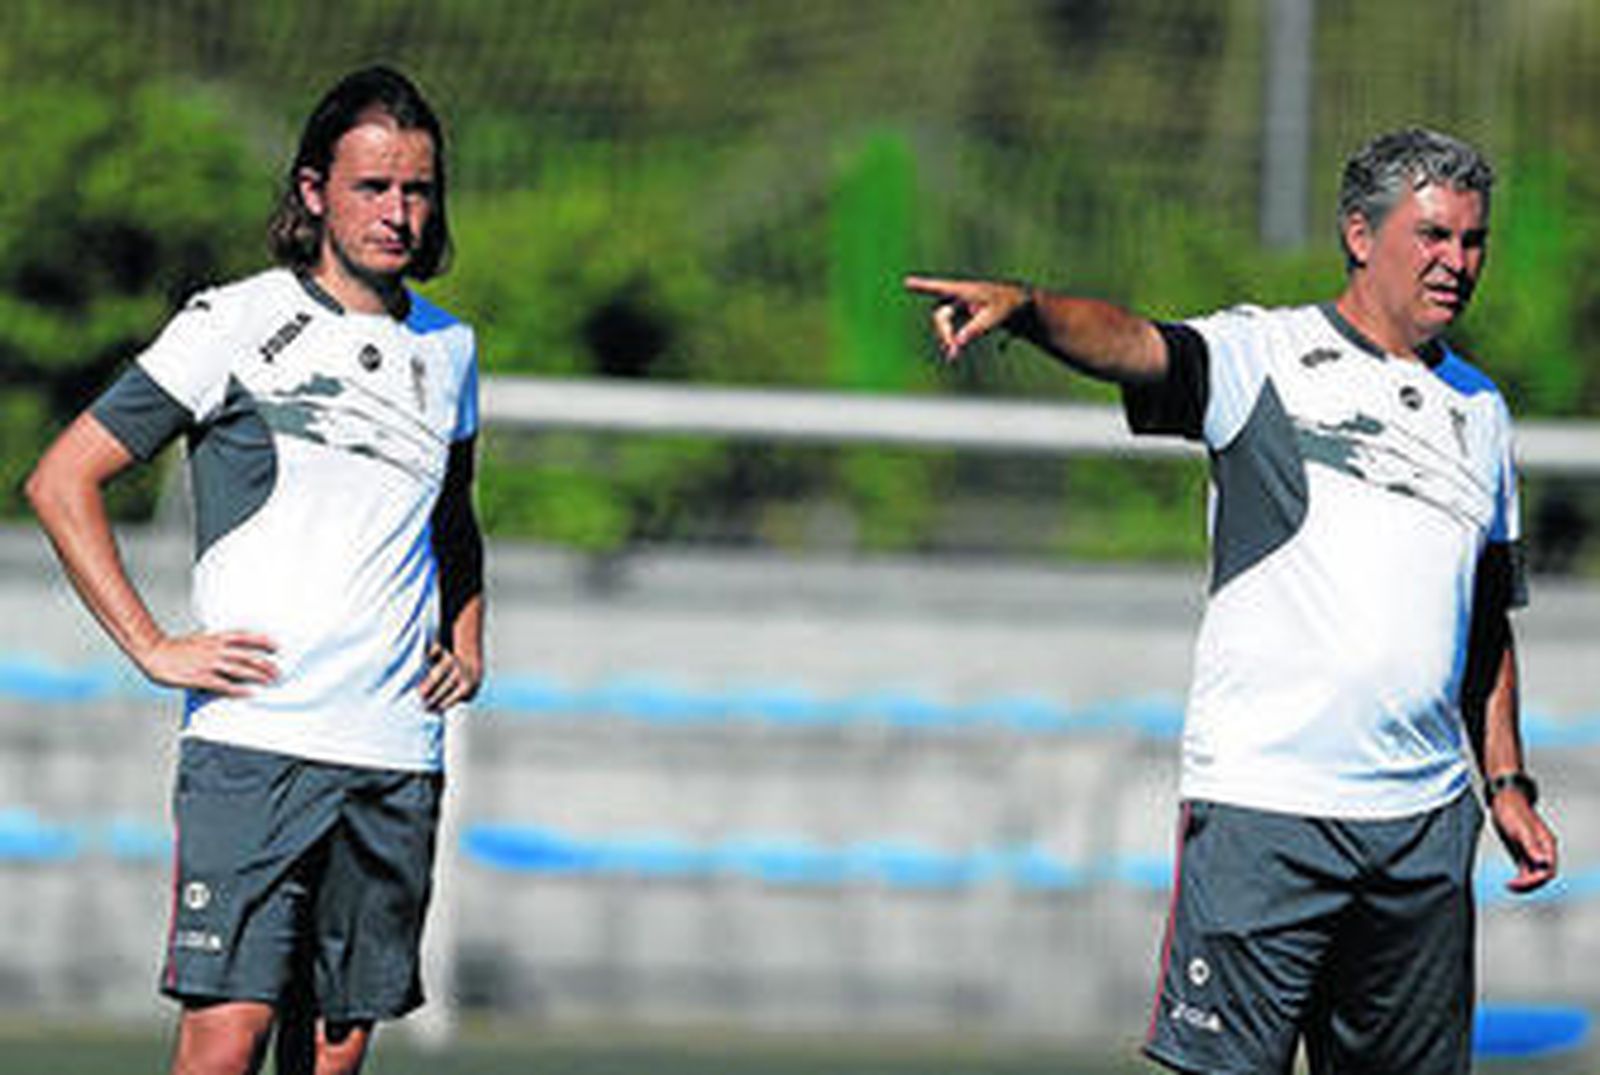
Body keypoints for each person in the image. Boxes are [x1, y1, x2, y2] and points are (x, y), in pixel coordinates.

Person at [906, 127, 1557, 1074]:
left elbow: (1486, 624)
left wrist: (1507, 786)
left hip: (1422, 828)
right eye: (1433, 237)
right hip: (1269, 811)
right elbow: (1135, 344)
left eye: (1472, 241)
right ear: (1361, 236)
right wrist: (1032, 310)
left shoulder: (1483, 412)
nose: (1457, 262)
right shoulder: (1265, 356)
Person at [26, 65, 483, 1075]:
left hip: (392, 754)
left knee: (331, 1056)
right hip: (257, 744)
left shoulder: (450, 350)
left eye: (417, 189)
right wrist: (151, 645)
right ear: (315, 190)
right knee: (225, 1043)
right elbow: (63, 479)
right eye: (373, 188)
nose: (398, 212)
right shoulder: (233, 323)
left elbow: (453, 512)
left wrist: (468, 636)